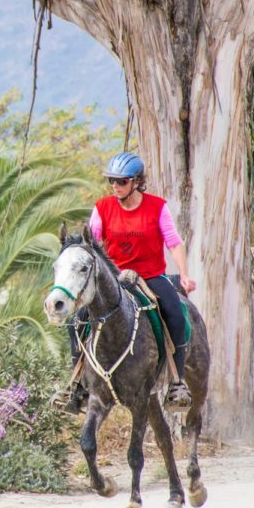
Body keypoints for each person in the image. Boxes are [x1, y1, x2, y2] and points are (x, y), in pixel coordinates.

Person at [87, 152, 196, 410]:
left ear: (136, 181)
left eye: (121, 181)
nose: (115, 186)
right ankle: (76, 383)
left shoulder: (157, 207)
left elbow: (174, 242)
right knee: (78, 316)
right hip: (113, 279)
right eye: (112, 180)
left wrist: (184, 273)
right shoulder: (102, 207)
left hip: (150, 276)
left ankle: (177, 381)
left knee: (176, 313)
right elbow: (91, 243)